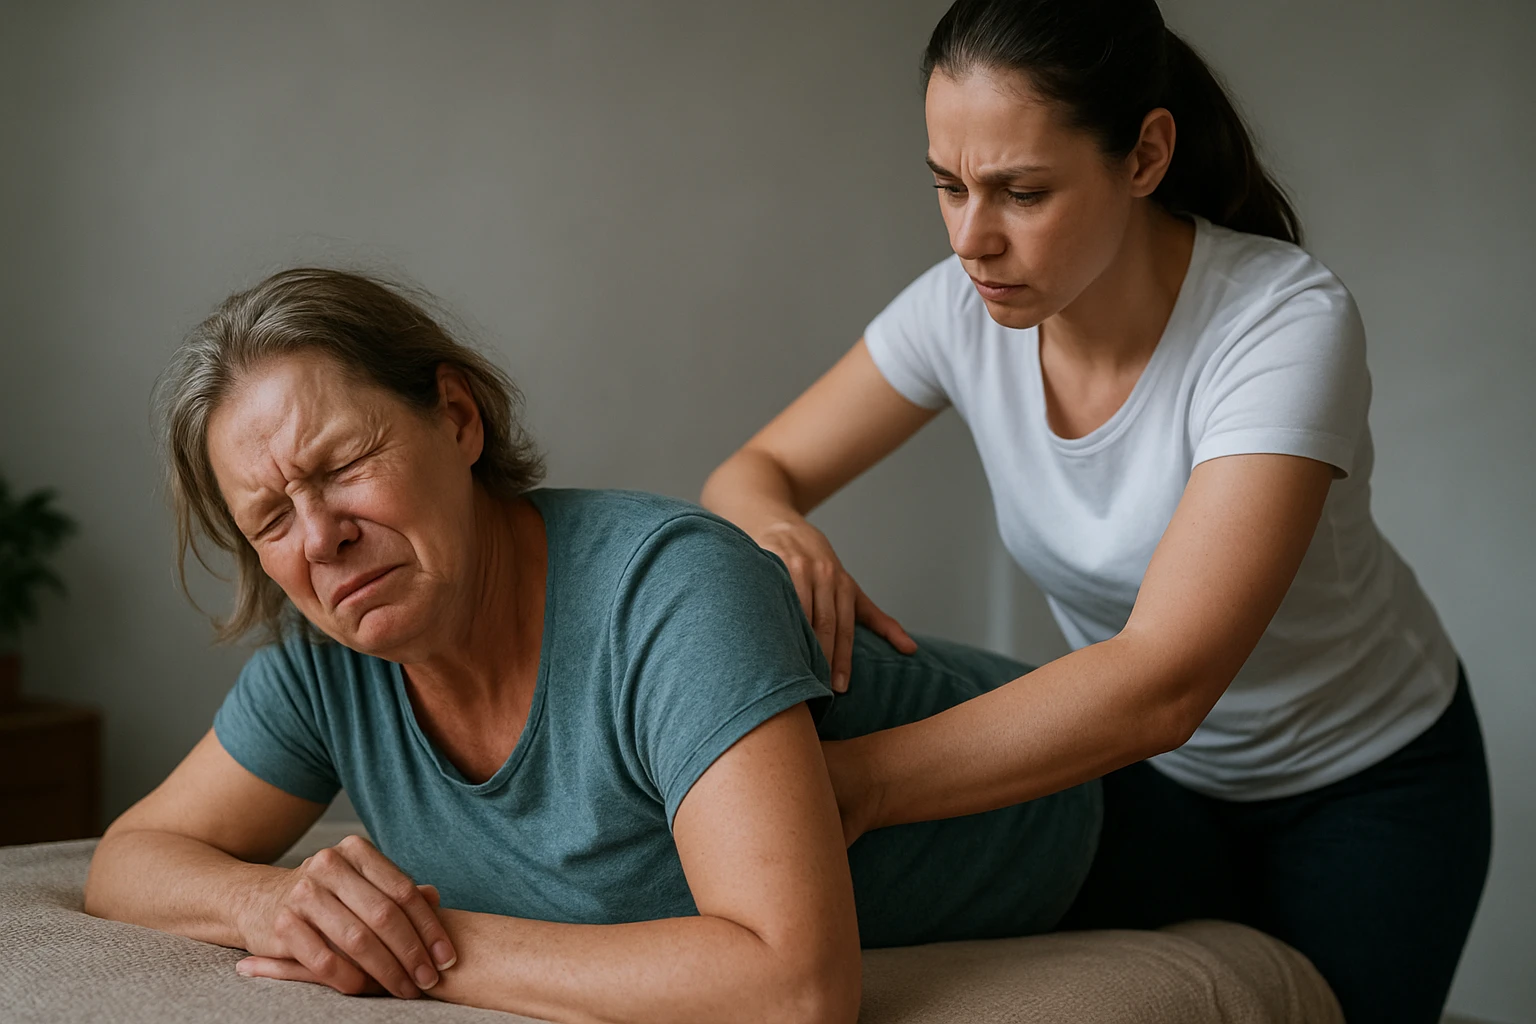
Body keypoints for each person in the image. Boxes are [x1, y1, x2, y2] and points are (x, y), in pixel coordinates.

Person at [700, 2, 1491, 1022]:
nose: (972, 239)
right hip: (1148, 782)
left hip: (1367, 782)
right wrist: (780, 528)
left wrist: (848, 785)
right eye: (948, 185)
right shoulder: (957, 311)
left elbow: (1166, 678)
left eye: (1022, 192)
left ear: (1146, 155)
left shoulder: (1282, 322)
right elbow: (752, 468)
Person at [82, 268, 1099, 1024]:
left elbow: (796, 984)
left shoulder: (670, 592)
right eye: (269, 518)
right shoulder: (323, 670)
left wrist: (417, 945)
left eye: (344, 464)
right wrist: (275, 902)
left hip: (1130, 821)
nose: (319, 537)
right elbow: (129, 860)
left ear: (456, 417)